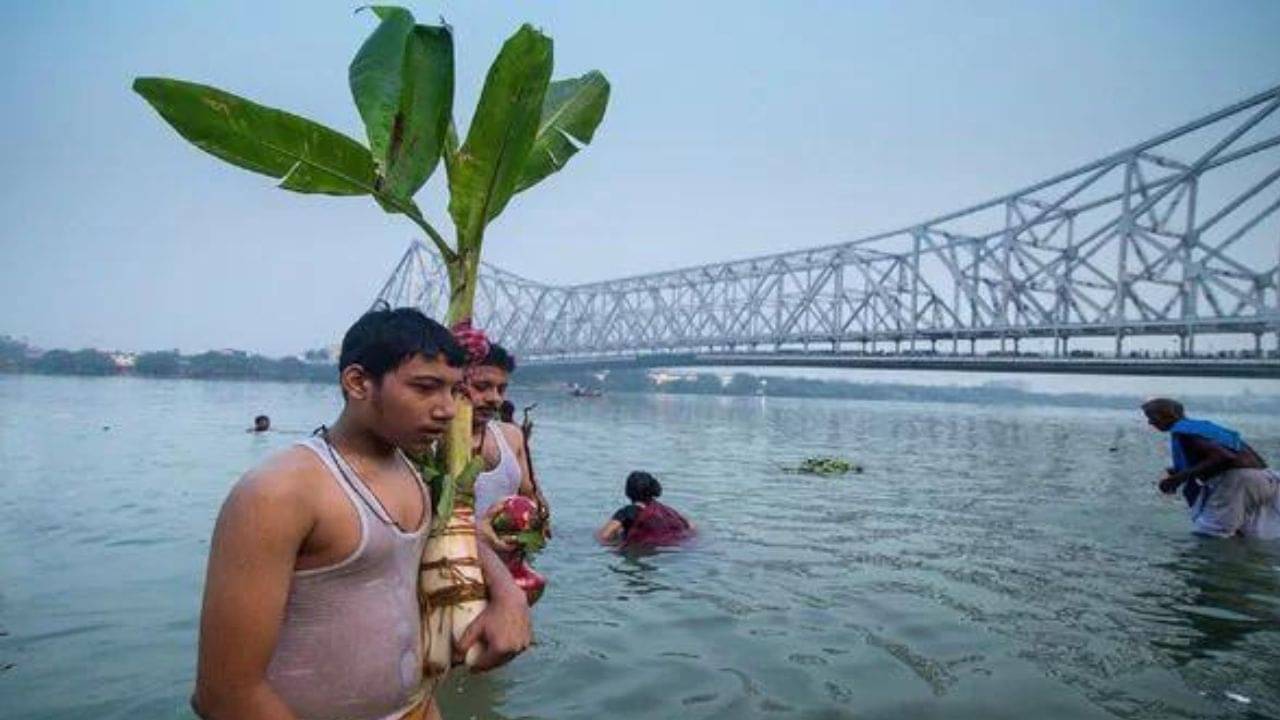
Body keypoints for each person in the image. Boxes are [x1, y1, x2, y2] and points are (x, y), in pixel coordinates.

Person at [192, 308, 531, 720]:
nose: (446, 409)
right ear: (357, 383)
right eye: (426, 388)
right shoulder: (281, 493)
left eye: (455, 391)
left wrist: (508, 595)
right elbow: (226, 695)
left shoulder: (417, 469)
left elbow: (456, 531)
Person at [1142, 397, 1280, 539]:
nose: (1150, 422)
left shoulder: (1183, 431)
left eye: (1152, 417)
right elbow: (1230, 457)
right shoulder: (1202, 428)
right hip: (1266, 480)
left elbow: (1224, 456)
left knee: (1210, 536)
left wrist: (1177, 479)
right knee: (1244, 534)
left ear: (1170, 415)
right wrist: (1178, 471)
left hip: (1241, 482)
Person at [466, 344, 546, 550]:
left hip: (508, 567)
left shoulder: (511, 436)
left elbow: (530, 496)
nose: (495, 398)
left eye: (501, 389)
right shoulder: (430, 444)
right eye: (481, 387)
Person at [596, 471, 695, 546]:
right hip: (669, 548)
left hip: (639, 550)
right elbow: (691, 527)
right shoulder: (666, 510)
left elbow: (603, 537)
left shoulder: (627, 512)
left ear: (627, 491)